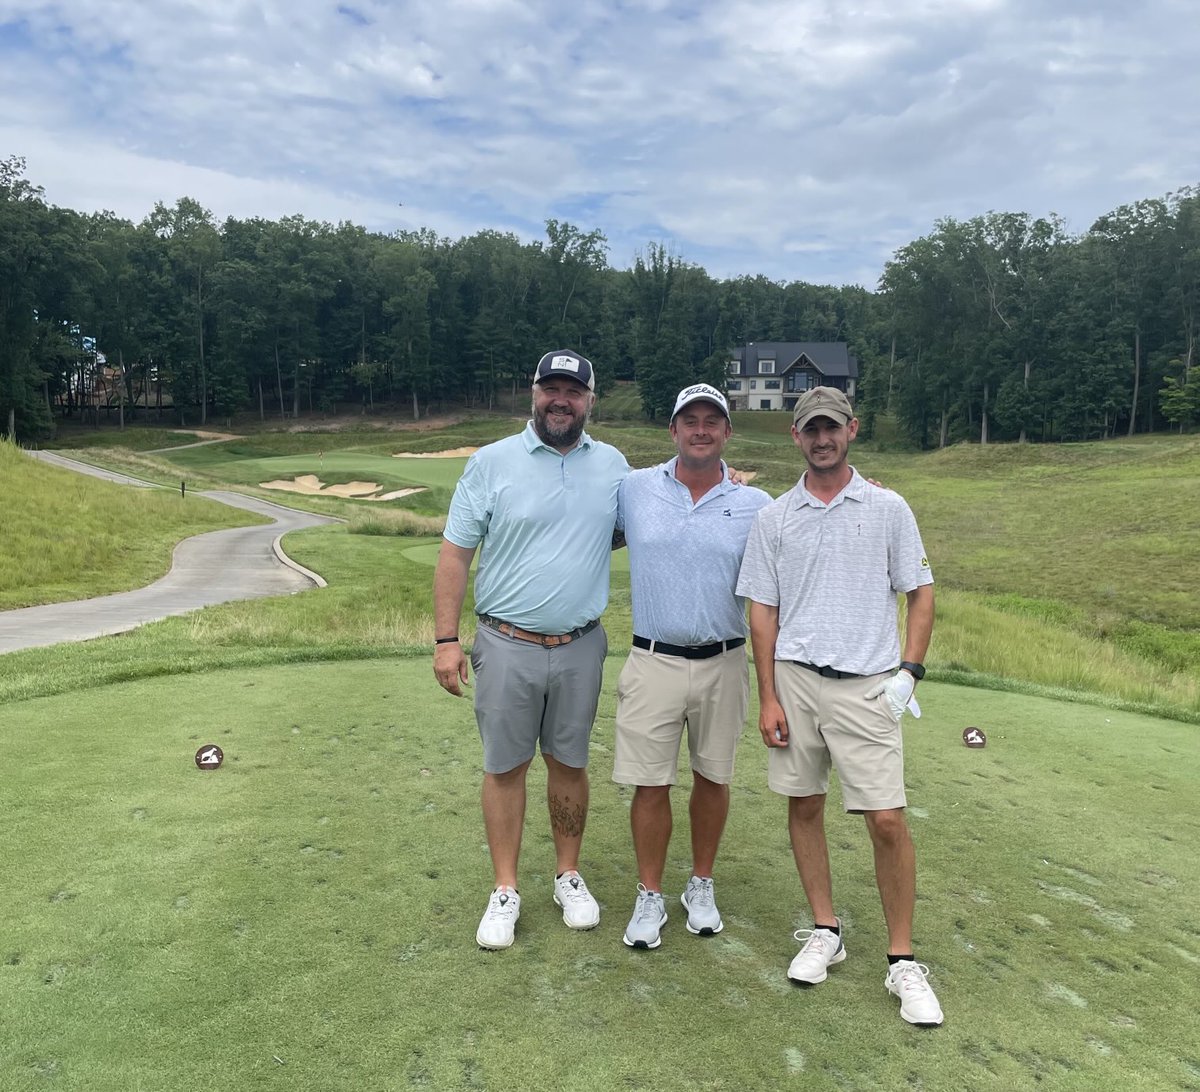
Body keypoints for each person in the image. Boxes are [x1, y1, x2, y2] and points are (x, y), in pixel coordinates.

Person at [735, 385, 944, 1026]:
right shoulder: (775, 516)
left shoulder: (887, 507)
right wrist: (768, 692)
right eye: (809, 429)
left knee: (885, 819)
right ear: (794, 437)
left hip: (867, 684)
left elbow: (921, 592)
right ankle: (825, 929)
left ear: (851, 430)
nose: (821, 438)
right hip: (796, 680)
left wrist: (910, 670)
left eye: (831, 427)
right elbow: (761, 611)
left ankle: (902, 961)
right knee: (804, 805)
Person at [432, 349, 629, 950]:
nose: (561, 400)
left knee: (570, 763)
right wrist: (446, 641)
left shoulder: (615, 465)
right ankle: (506, 888)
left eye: (573, 390)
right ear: (533, 392)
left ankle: (568, 874)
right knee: (506, 767)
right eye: (551, 389)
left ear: (591, 399)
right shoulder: (491, 463)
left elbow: (657, 512)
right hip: (505, 642)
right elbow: (455, 555)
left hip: (580, 644)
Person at [613, 383, 772, 949]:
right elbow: (578, 528)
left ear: (728, 432)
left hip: (724, 661)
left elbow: (805, 536)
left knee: (714, 777)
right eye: (690, 420)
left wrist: (867, 489)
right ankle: (649, 894)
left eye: (712, 421)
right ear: (673, 430)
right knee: (650, 783)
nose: (700, 430)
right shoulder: (634, 489)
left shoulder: (756, 506)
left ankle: (700, 884)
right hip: (652, 657)